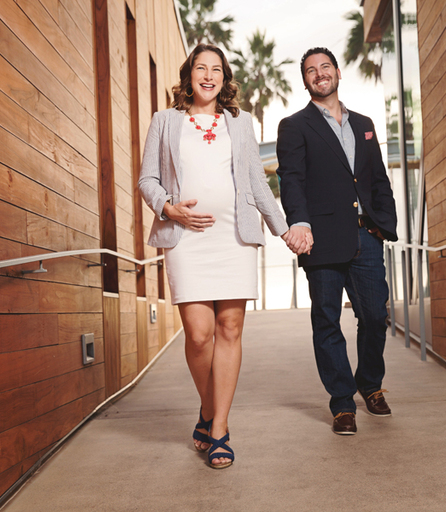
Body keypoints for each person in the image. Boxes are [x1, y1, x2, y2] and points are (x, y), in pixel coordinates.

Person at [139, 44, 290, 468]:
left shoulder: (240, 123)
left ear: (224, 78)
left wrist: (282, 228)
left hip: (233, 238)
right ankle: (208, 408)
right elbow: (147, 178)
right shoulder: (165, 121)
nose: (208, 76)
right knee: (198, 334)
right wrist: (169, 208)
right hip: (186, 239)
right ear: (189, 75)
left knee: (229, 327)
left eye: (216, 70)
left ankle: (219, 427)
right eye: (201, 68)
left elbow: (257, 182)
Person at [277, 47, 397, 435]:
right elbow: (291, 180)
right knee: (327, 320)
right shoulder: (294, 126)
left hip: (366, 236)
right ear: (305, 81)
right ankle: (343, 402)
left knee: (375, 315)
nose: (319, 74)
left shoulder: (363, 123)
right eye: (311, 70)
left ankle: (370, 383)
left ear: (338, 72)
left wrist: (385, 223)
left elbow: (377, 178)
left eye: (325, 66)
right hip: (322, 239)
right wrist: (299, 224)